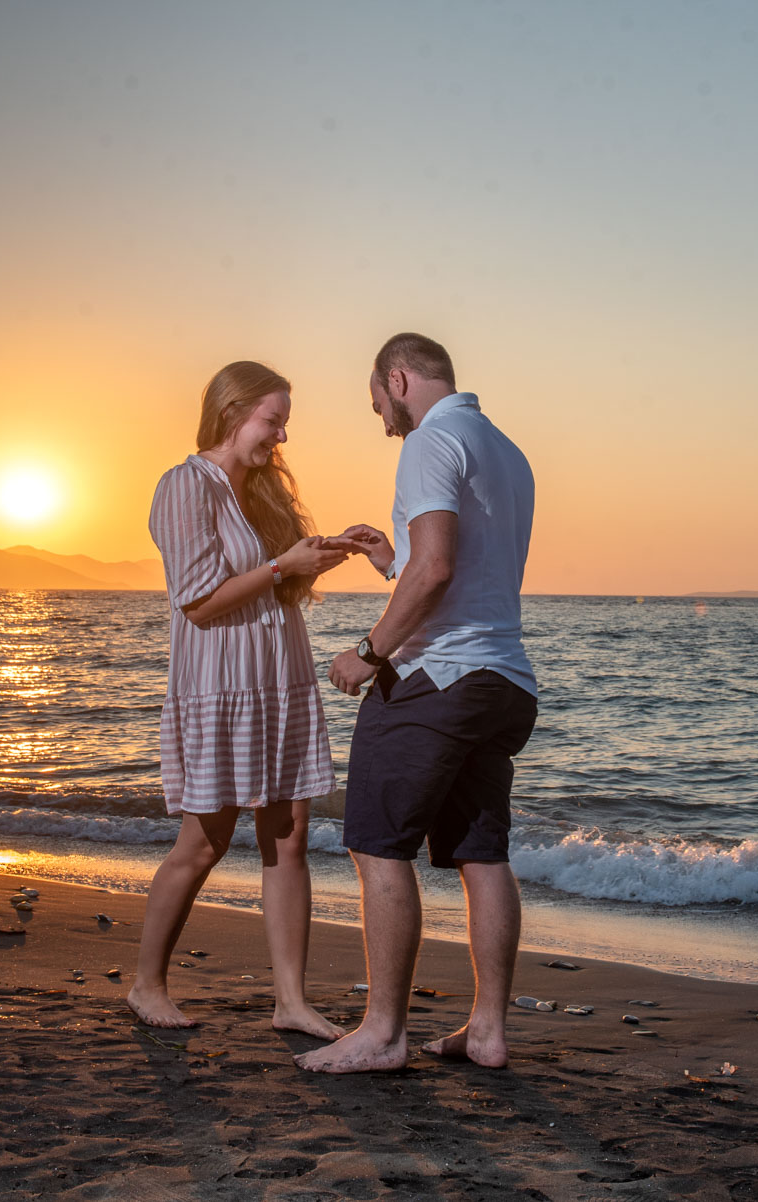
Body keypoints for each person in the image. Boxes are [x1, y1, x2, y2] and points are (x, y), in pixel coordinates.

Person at [296, 333, 538, 1073]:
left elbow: (434, 571)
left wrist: (366, 654)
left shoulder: (430, 443)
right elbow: (449, 569)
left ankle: (383, 1032)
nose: (382, 421)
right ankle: (489, 1031)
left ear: (398, 379)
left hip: (437, 680)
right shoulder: (506, 450)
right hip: (504, 682)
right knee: (480, 852)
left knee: (376, 845)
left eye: (378, 404)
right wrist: (386, 562)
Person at [129, 360, 351, 1039]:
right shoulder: (182, 487)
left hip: (280, 678)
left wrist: (324, 553)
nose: (280, 437)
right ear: (232, 413)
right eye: (272, 420)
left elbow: (272, 586)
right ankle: (146, 986)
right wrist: (285, 565)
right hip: (220, 685)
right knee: (205, 843)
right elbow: (197, 603)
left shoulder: (258, 493)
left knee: (287, 841)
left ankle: (291, 1002)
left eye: (284, 424)